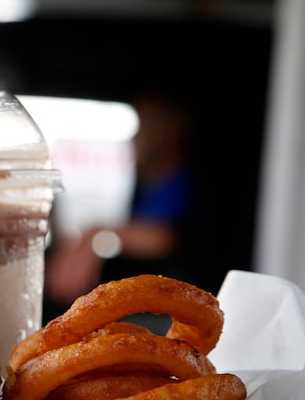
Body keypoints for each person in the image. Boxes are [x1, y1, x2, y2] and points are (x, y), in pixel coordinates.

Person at [44, 90, 194, 316]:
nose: (134, 139)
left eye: (143, 128)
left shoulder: (178, 183)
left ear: (165, 135)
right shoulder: (150, 185)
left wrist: (97, 233)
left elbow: (164, 238)